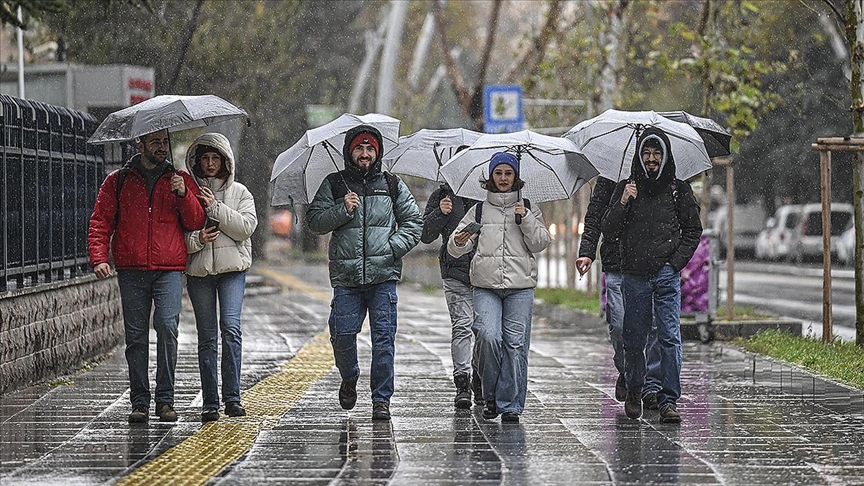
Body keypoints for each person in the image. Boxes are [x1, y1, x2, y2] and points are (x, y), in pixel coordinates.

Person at [88, 129, 205, 423]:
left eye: (165, 142)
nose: (161, 147)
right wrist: (100, 258)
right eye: (155, 142)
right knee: (136, 338)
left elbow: (196, 220)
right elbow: (101, 221)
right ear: (139, 144)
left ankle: (165, 400)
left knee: (167, 328)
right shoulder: (118, 182)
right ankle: (139, 402)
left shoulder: (179, 180)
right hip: (132, 270)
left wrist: (183, 194)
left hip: (168, 269)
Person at [307, 125, 423, 421]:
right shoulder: (334, 184)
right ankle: (349, 375)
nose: (365, 154)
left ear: (378, 152)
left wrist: (392, 247)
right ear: (350, 151)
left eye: (370, 149)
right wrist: (342, 210)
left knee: (384, 340)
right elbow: (315, 221)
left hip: (383, 277)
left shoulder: (392, 184)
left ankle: (381, 399)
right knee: (342, 335)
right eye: (359, 148)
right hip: (346, 279)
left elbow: (413, 222)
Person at [601, 127, 702, 423]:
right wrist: (622, 202)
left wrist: (675, 264)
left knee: (670, 337)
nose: (651, 158)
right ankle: (634, 388)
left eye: (657, 153)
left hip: (666, 276)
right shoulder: (626, 188)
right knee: (634, 339)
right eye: (646, 153)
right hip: (633, 276)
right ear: (639, 156)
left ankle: (668, 399)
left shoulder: (678, 189)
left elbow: (693, 230)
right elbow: (609, 231)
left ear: (666, 155)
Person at [448, 152, 551, 424]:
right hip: (485, 286)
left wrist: (526, 219)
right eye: (498, 173)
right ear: (490, 177)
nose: (503, 178)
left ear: (516, 176)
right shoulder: (479, 210)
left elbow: (541, 242)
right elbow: (455, 248)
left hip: (520, 288)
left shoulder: (528, 207)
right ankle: (490, 394)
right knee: (488, 337)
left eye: (508, 173)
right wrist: (460, 239)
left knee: (515, 346)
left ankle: (511, 404)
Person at [183, 133, 258, 423]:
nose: (211, 163)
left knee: (230, 329)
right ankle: (210, 403)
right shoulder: (188, 193)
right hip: (200, 272)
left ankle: (233, 398)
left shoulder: (240, 192)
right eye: (205, 158)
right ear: (198, 161)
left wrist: (215, 208)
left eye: (216, 158)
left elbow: (245, 228)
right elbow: (182, 238)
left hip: (232, 272)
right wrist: (198, 239)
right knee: (207, 337)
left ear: (225, 161)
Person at [576, 177, 663, 410]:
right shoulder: (608, 180)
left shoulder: (658, 177)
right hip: (617, 265)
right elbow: (595, 219)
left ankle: (650, 385)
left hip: (648, 265)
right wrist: (587, 252)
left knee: (652, 325)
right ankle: (627, 370)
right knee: (619, 326)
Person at [421, 165, 482, 409]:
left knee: (485, 331)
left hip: (485, 275)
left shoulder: (488, 198)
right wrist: (440, 213)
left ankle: (479, 377)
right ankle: (463, 383)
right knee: (462, 326)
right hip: (455, 274)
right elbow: (425, 234)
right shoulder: (442, 196)